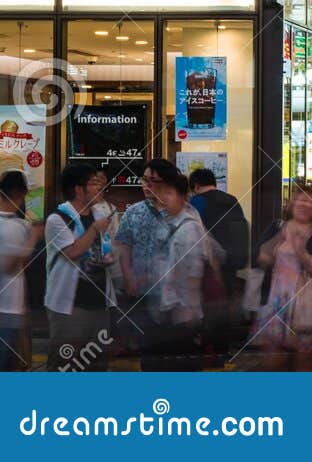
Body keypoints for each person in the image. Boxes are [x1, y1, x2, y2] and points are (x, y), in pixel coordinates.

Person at [252, 186, 312, 371]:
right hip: (276, 302)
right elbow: (261, 258)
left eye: (309, 201)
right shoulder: (277, 227)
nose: (304, 204)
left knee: (303, 360)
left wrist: (302, 253)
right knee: (273, 361)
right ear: (291, 203)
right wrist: (280, 238)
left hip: (306, 306)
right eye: (300, 199)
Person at [44, 164, 115, 370]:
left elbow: (107, 250)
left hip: (100, 304)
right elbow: (73, 252)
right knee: (65, 364)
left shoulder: (99, 215)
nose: (98, 188)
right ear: (78, 189)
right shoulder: (57, 219)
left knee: (97, 365)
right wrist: (94, 229)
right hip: (71, 308)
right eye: (93, 183)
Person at [113, 158, 181, 358]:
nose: (146, 185)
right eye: (144, 180)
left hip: (174, 294)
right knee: (147, 350)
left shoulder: (181, 213)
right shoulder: (133, 212)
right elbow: (124, 249)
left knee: (175, 352)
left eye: (152, 181)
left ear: (167, 183)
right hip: (142, 293)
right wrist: (128, 278)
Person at [148, 169, 212, 370]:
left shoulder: (189, 228)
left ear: (183, 197)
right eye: (162, 193)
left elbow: (193, 275)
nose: (164, 198)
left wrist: (184, 310)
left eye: (169, 193)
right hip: (166, 309)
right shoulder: (166, 223)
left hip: (182, 314)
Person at [188, 165, 247, 357]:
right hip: (232, 263)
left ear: (195, 185)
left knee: (208, 307)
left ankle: (208, 348)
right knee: (225, 305)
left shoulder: (197, 202)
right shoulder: (232, 200)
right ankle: (222, 349)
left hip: (209, 267)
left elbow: (195, 233)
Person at [0, 171, 39, 371]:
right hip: (8, 311)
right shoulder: (13, 226)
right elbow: (10, 265)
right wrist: (33, 238)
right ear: (21, 193)